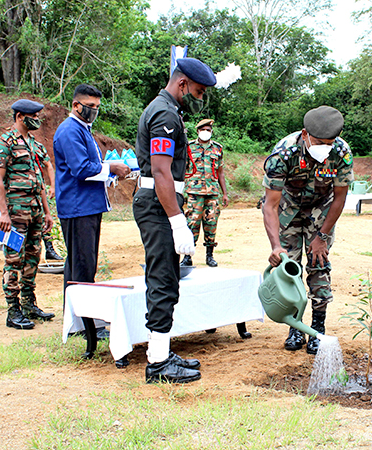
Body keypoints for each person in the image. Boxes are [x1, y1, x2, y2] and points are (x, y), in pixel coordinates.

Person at [133, 57, 216, 384]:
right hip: (158, 203)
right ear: (182, 83)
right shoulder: (165, 114)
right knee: (163, 278)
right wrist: (177, 221)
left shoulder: (166, 109)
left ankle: (161, 353)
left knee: (164, 277)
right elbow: (161, 171)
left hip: (160, 200)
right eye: (197, 91)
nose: (199, 98)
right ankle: (157, 364)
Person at [261, 105, 353, 355]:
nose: (325, 147)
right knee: (289, 267)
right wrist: (275, 246)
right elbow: (270, 205)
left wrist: (322, 237)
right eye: (320, 142)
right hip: (288, 209)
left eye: (330, 142)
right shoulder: (284, 153)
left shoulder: (341, 152)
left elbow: (339, 198)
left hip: (321, 210)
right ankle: (296, 327)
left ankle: (318, 328)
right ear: (305, 134)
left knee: (318, 264)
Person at [53, 84, 130, 340]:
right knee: (84, 265)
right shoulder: (69, 131)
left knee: (76, 264)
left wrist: (109, 173)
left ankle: (75, 322)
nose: (93, 111)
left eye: (97, 107)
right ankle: (88, 328)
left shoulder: (82, 129)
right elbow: (83, 169)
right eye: (90, 106)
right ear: (76, 105)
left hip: (85, 205)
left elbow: (91, 166)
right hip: (78, 208)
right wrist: (111, 169)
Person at [0, 99, 55, 330]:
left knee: (32, 257)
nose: (37, 120)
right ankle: (13, 310)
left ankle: (29, 304)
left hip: (35, 211)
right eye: (34, 116)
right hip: (15, 213)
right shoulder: (4, 143)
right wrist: (3, 214)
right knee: (13, 259)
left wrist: (47, 213)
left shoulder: (34, 145)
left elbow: (39, 181)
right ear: (20, 116)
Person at [180, 118, 228, 268]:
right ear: (198, 131)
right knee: (192, 223)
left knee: (211, 224)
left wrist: (224, 193)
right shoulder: (189, 147)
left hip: (212, 192)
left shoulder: (217, 149)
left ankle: (210, 256)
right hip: (194, 192)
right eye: (203, 130)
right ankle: (187, 257)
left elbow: (220, 172)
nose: (206, 132)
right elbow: (182, 170)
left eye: (209, 130)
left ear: (211, 132)